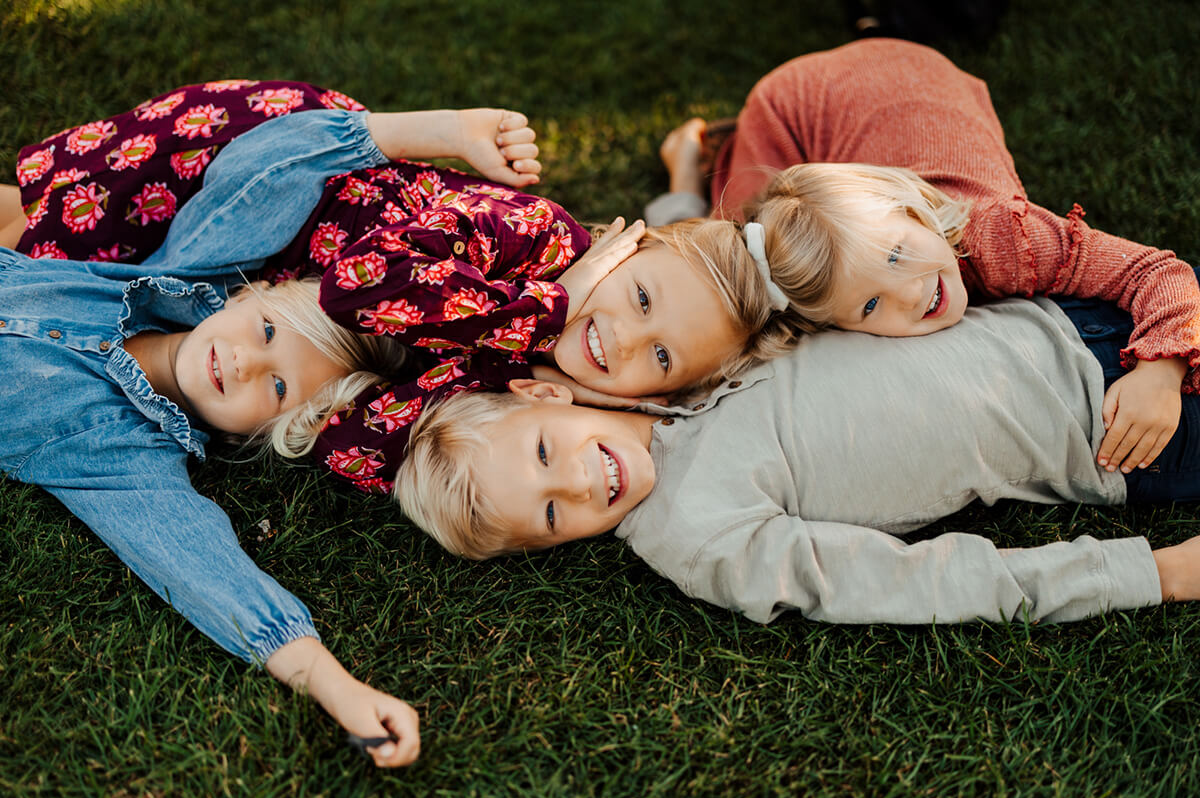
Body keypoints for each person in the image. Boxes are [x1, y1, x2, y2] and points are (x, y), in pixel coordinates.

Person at [0, 102, 561, 767]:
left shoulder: (118, 454)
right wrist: (443, 133)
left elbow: (198, 564)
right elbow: (269, 170)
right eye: (266, 334)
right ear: (248, 299)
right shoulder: (191, 271)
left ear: (269, 431)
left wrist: (335, 685)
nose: (244, 362)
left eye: (275, 388)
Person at [4, 80, 819, 496]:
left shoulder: (534, 385)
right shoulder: (541, 244)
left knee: (78, 285)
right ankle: (436, 124)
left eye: (662, 355)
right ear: (618, 249)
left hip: (251, 288)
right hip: (289, 173)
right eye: (639, 298)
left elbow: (356, 451)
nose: (626, 340)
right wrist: (552, 301)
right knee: (48, 227)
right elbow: (361, 290)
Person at [394, 293, 1200, 626]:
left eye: (543, 454)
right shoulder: (695, 536)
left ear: (546, 399)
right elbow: (912, 582)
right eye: (549, 513)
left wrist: (682, 182)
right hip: (1120, 433)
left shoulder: (651, 368)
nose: (575, 482)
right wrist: (1149, 575)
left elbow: (709, 274)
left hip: (1080, 319)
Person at [647, 38, 1200, 478]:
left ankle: (694, 162)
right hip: (814, 110)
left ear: (915, 210)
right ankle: (702, 159)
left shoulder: (1007, 237)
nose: (910, 292)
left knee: (742, 241)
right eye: (868, 305)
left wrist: (1161, 369)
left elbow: (1155, 271)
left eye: (897, 254)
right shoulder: (855, 273)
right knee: (739, 260)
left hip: (898, 76)